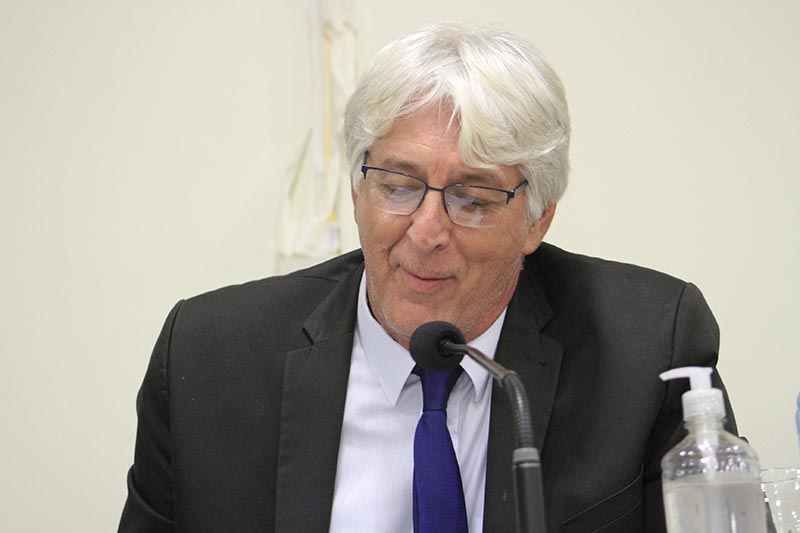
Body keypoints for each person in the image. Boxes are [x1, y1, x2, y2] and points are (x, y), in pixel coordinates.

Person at [119, 22, 736, 532]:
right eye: (398, 186)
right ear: (357, 188)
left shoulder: (644, 350)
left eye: (472, 199)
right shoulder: (209, 358)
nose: (426, 231)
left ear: (537, 219)